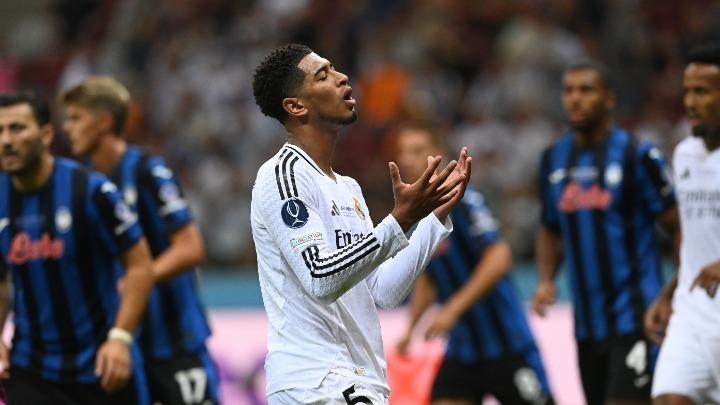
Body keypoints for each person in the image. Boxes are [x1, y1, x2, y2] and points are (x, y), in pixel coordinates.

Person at [250, 43, 471, 404]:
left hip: (357, 381)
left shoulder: (347, 188)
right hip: (316, 383)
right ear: (296, 106)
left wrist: (433, 217)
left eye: (335, 69)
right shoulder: (283, 176)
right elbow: (320, 277)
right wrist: (400, 220)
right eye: (323, 75)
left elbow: (383, 290)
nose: (342, 78)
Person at [59, 76, 219, 405]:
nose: (67, 128)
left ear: (104, 122)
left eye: (75, 118)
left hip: (173, 340)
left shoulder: (148, 171)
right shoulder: (80, 185)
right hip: (118, 343)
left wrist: (138, 279)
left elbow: (190, 247)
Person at [532, 62, 680, 405]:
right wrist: (545, 280)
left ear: (609, 99)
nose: (575, 99)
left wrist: (674, 293)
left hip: (636, 318)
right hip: (586, 326)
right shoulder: (553, 159)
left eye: (586, 90)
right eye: (569, 91)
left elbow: (677, 226)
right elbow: (549, 228)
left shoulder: (637, 155)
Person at [0, 91, 154, 404]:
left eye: (17, 128)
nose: (6, 141)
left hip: (101, 365)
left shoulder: (90, 190)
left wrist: (120, 338)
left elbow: (140, 265)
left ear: (45, 135)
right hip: (32, 370)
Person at [394, 125, 554, 405]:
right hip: (463, 350)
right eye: (404, 152)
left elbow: (499, 258)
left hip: (506, 343)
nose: (408, 159)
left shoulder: (464, 199)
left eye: (417, 151)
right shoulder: (414, 215)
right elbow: (430, 276)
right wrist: (411, 329)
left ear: (438, 155)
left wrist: (452, 309)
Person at [645, 42, 720, 405]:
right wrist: (669, 292)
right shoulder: (684, 153)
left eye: (702, 92)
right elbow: (692, 236)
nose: (690, 102)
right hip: (692, 313)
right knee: (668, 398)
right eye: (687, 91)